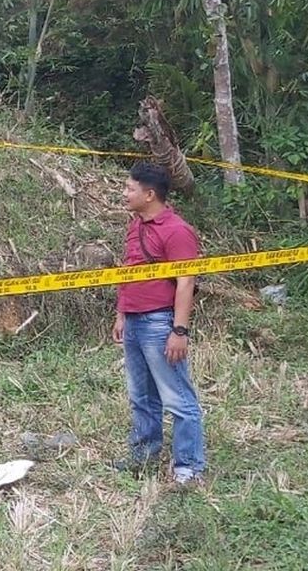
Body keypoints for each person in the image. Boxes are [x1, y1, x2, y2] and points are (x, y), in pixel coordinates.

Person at [112, 161, 206, 485]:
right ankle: (143, 455)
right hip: (135, 322)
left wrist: (179, 331)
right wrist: (122, 312)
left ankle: (189, 467)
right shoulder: (135, 225)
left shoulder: (177, 231)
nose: (124, 193)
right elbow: (130, 270)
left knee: (178, 398)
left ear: (149, 194)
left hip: (159, 322)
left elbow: (185, 283)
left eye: (130, 189)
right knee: (141, 396)